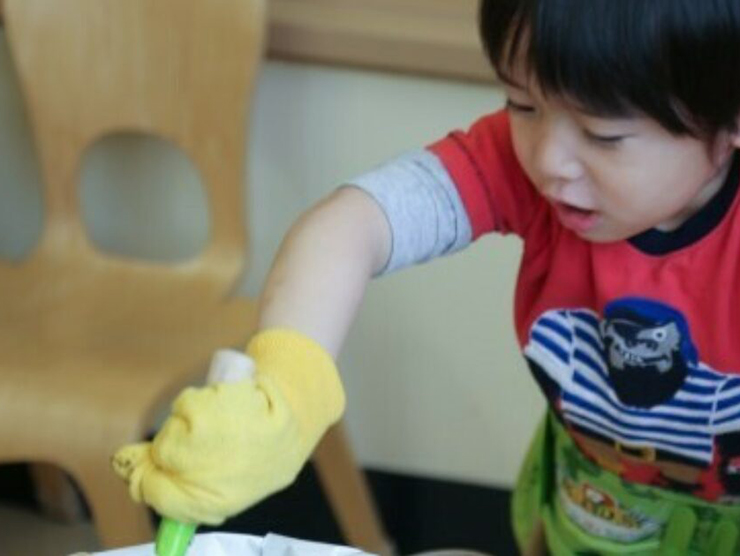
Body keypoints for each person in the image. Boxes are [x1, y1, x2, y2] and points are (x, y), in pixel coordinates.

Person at [113, 0, 740, 553]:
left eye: (604, 135)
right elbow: (351, 227)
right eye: (521, 102)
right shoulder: (523, 163)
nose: (549, 161)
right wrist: (286, 391)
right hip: (593, 500)